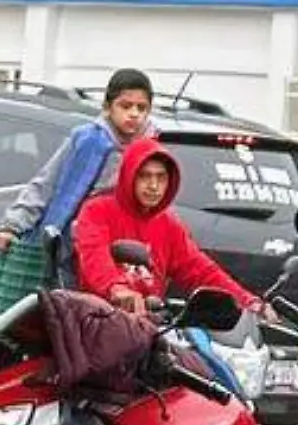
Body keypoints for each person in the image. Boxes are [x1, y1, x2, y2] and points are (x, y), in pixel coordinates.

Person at [72, 136, 268, 321]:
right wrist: (116, 288)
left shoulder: (168, 224)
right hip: (99, 320)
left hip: (149, 326)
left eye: (161, 177)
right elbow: (94, 256)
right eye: (144, 176)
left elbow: (201, 270)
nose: (153, 186)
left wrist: (248, 303)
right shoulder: (97, 210)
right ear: (129, 176)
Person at [0, 67, 156, 284]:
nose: (134, 114)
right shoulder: (85, 139)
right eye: (126, 106)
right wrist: (11, 225)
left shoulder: (150, 152)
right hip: (58, 251)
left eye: (141, 108)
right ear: (108, 107)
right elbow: (45, 184)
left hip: (107, 262)